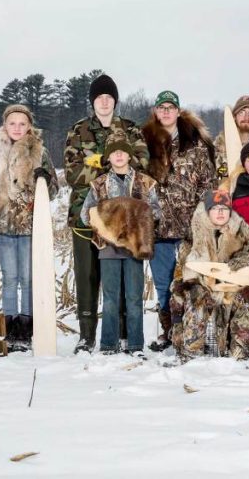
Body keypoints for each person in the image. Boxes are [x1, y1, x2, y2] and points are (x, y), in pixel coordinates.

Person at [63, 74, 149, 352]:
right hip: (86, 215)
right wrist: (108, 162)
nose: (104, 102)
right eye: (99, 97)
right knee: (87, 277)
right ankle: (87, 335)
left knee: (122, 277)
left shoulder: (130, 129)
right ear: (92, 102)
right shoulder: (78, 131)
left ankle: (124, 333)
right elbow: (73, 173)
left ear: (115, 101)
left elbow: (142, 163)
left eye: (108, 97)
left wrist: (99, 162)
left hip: (123, 220)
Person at [0, 104, 59, 352]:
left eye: (22, 124)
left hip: (29, 227)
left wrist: (44, 179)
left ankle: (27, 329)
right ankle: (10, 329)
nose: (17, 128)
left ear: (29, 126)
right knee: (10, 279)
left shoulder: (40, 152)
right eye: (12, 123)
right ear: (5, 125)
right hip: (1, 227)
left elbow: (53, 190)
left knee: (28, 278)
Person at [142, 90, 217, 352]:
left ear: (178, 111)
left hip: (189, 230)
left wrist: (203, 219)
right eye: (161, 107)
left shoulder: (195, 144)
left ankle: (191, 331)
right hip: (158, 228)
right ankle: (168, 332)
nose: (166, 111)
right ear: (155, 111)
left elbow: (208, 184)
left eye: (170, 107)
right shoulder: (146, 143)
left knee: (190, 281)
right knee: (163, 284)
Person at [81, 140, 161, 356]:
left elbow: (156, 211)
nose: (118, 156)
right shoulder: (99, 184)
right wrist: (107, 224)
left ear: (129, 157)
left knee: (134, 298)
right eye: (114, 153)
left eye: (122, 152)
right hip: (108, 248)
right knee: (110, 298)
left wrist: (135, 215)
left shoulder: (144, 182)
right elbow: (85, 213)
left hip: (135, 248)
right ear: (108, 158)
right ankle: (109, 344)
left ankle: (135, 345)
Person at [169, 190, 249, 361]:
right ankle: (192, 352)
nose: (220, 212)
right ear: (207, 211)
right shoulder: (193, 236)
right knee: (195, 295)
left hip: (231, 289)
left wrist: (245, 259)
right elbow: (180, 274)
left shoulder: (243, 233)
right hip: (203, 288)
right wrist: (190, 286)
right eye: (215, 208)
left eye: (224, 209)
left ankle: (238, 353)